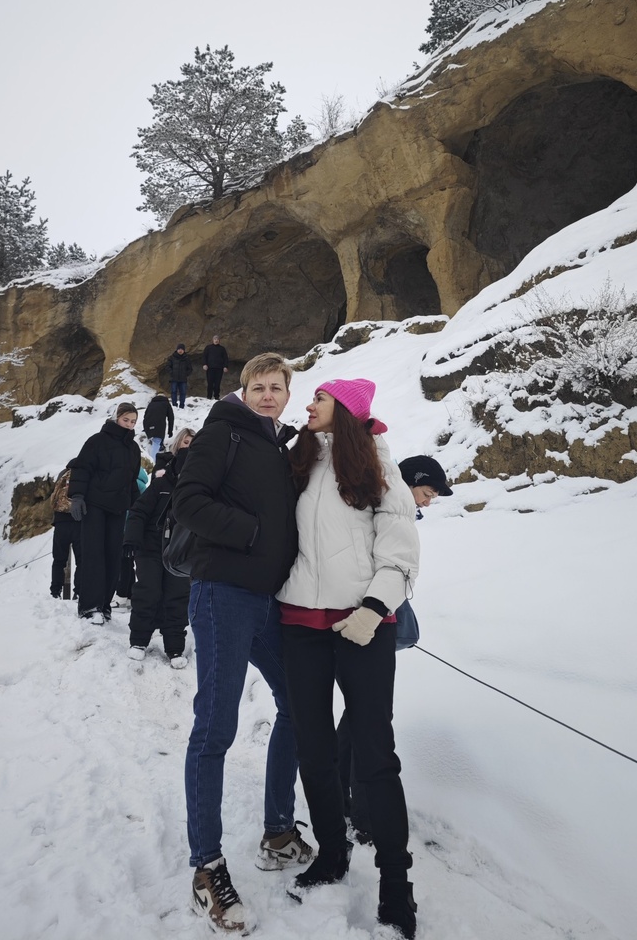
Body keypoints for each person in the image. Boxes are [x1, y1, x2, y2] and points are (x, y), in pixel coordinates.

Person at [172, 352, 313, 933]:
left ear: (287, 392)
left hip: (267, 601)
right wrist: (252, 534)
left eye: (277, 387)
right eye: (258, 386)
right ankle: (206, 870)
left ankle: (278, 832)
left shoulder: (278, 445)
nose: (267, 395)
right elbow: (189, 502)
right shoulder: (222, 434)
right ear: (243, 389)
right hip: (223, 594)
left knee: (301, 706)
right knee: (215, 729)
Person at [278, 378, 420, 940]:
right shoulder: (301, 458)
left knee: (374, 753)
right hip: (299, 625)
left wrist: (374, 608)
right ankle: (333, 853)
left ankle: (394, 883)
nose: (308, 406)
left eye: (320, 399)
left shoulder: (380, 469)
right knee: (313, 748)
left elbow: (401, 549)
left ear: (348, 411)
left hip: (362, 627)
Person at [337, 453, 452, 844]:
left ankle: (342, 799)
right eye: (427, 492)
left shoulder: (384, 504)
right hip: (367, 622)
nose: (428, 501)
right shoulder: (385, 506)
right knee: (372, 719)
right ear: (412, 481)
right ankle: (365, 817)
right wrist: (373, 611)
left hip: (365, 620)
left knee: (358, 715)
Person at [125, 428, 195, 667]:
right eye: (185, 443)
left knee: (177, 596)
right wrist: (131, 539)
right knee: (148, 591)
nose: (189, 448)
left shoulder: (200, 486)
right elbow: (138, 511)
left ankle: (175, 648)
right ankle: (139, 641)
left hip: (180, 552)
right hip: (151, 546)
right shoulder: (161, 481)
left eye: (194, 445)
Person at [68, 402, 142, 625]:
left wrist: (138, 509)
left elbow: (131, 482)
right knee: (93, 555)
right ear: (116, 418)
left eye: (133, 422)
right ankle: (89, 606)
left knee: (113, 557)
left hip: (118, 508)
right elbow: (82, 468)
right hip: (95, 505)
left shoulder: (133, 448)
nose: (129, 425)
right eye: (125, 420)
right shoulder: (97, 441)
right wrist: (78, 496)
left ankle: (104, 604)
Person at [113, 459, 150, 608]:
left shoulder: (131, 484)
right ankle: (129, 595)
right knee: (129, 563)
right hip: (136, 529)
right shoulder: (143, 486)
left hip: (126, 527)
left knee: (123, 563)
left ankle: (122, 595)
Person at [48, 460, 81, 599]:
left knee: (58, 559)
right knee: (82, 560)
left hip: (61, 522)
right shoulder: (83, 475)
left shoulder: (63, 475)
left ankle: (55, 591)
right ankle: (78, 592)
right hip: (79, 522)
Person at [143, 392, 175, 460]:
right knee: (156, 442)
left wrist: (146, 429)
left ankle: (160, 447)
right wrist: (170, 431)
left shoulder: (151, 404)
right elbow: (171, 418)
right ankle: (152, 462)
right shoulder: (166, 403)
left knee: (156, 440)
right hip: (158, 425)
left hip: (147, 424)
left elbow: (145, 416)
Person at [201, 334, 229, 400]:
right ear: (212, 340)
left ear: (219, 341)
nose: (216, 340)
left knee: (217, 383)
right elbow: (204, 356)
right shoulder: (208, 348)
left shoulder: (222, 349)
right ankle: (209, 396)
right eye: (215, 339)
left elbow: (225, 358)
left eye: (217, 339)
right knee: (210, 383)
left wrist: (225, 366)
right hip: (210, 368)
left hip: (219, 369)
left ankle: (216, 396)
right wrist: (204, 364)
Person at [167, 343, 193, 408]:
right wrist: (171, 372)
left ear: (184, 350)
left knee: (183, 392)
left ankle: (182, 405)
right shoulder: (172, 357)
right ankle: (174, 405)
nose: (180, 350)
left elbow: (190, 369)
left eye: (181, 349)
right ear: (177, 350)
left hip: (183, 379)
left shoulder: (186, 358)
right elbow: (167, 366)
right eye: (179, 349)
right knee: (173, 392)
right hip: (174, 378)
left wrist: (186, 374)